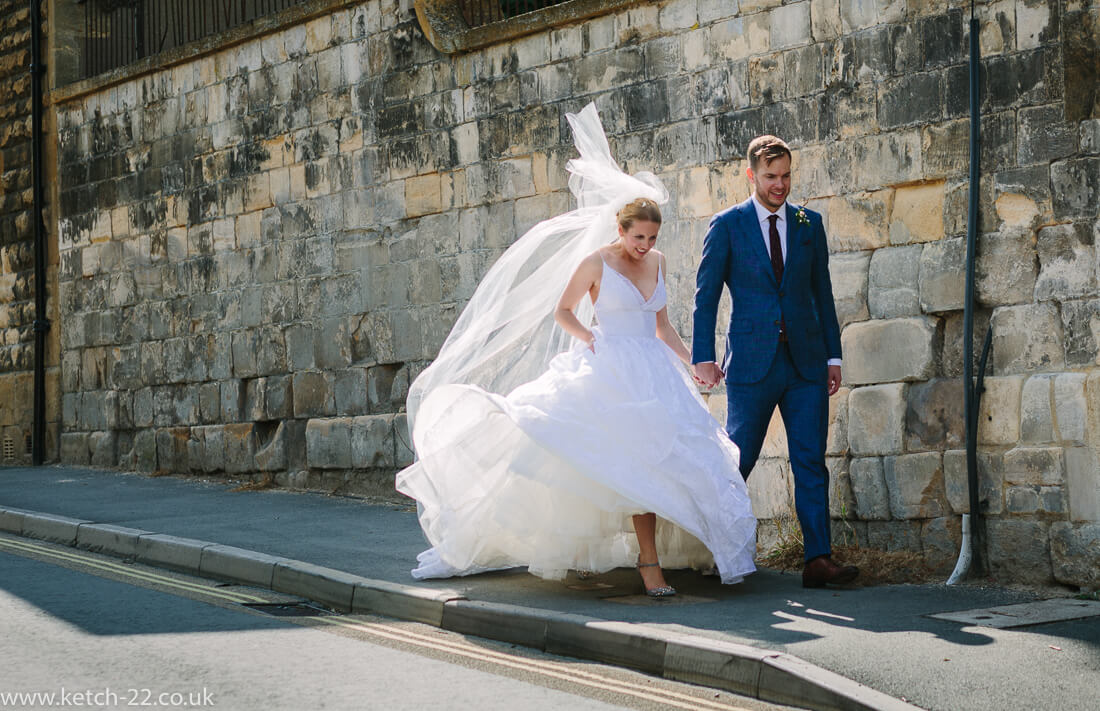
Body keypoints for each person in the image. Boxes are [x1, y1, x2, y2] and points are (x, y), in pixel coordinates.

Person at [396, 104, 756, 595]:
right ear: (621, 229)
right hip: (607, 367)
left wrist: (693, 363)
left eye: (652, 238)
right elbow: (562, 311)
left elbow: (662, 325)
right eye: (638, 237)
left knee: (658, 463)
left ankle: (656, 558)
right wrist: (586, 336)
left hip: (651, 373)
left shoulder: (660, 263)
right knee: (607, 460)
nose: (645, 246)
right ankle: (641, 565)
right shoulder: (596, 262)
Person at [691, 135, 858, 588]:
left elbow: (821, 292)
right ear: (751, 175)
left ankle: (818, 559)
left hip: (806, 363)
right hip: (750, 364)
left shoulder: (809, 223)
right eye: (771, 177)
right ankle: (711, 552)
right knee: (736, 460)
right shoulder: (727, 226)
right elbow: (706, 298)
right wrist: (703, 357)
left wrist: (833, 355)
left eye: (786, 176)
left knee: (810, 461)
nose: (780, 185)